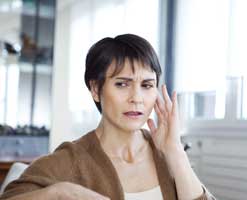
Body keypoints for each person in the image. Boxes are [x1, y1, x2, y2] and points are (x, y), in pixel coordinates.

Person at [0, 34, 215, 200]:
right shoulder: (71, 159)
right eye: (122, 84)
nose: (136, 98)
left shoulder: (167, 154)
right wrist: (57, 193)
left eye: (147, 85)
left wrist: (175, 152)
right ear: (95, 89)